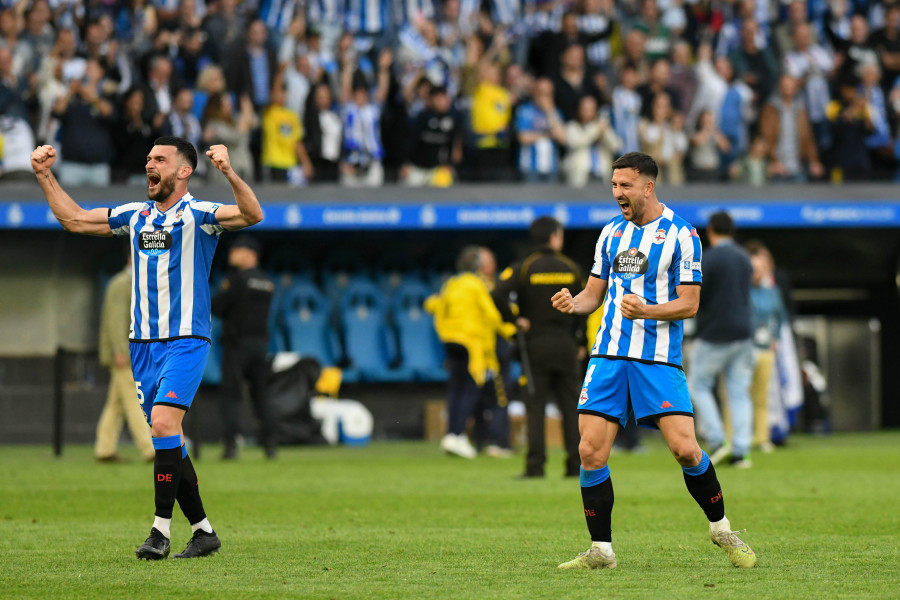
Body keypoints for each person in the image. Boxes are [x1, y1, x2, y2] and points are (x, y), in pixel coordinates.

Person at [32, 135, 263, 560]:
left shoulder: (201, 214)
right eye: (147, 159)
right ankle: (204, 532)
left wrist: (229, 171)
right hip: (142, 345)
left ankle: (159, 532)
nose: (149, 165)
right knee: (168, 438)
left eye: (159, 159)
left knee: (161, 424)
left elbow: (252, 213)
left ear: (184, 170)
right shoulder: (134, 216)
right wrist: (44, 176)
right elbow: (77, 220)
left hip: (186, 339)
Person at [551, 152, 756, 570]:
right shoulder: (609, 234)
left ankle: (721, 528)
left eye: (624, 185)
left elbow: (690, 303)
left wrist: (646, 311)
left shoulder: (683, 235)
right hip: (608, 354)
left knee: (684, 449)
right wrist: (574, 304)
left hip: (657, 358)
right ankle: (601, 550)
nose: (617, 193)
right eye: (613, 185)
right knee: (590, 451)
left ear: (648, 185)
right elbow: (594, 294)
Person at [493, 216, 584, 478]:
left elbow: (497, 294)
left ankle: (535, 466)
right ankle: (575, 466)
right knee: (571, 407)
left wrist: (515, 321)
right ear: (554, 236)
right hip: (566, 344)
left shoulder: (524, 267)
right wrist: (580, 341)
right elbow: (584, 306)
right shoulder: (571, 267)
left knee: (535, 406)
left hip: (535, 345)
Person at [424, 246, 517, 459]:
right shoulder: (476, 285)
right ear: (477, 267)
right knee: (471, 389)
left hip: (450, 341)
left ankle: (451, 434)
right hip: (471, 344)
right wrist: (510, 330)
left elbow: (438, 305)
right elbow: (491, 315)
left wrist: (431, 309)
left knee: (455, 388)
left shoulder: (452, 284)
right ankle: (458, 436)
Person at [687, 211, 755, 468]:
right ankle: (741, 451)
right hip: (743, 334)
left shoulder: (709, 258)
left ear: (711, 230)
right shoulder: (744, 257)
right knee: (739, 393)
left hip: (714, 333)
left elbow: (696, 296)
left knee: (698, 385)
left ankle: (717, 441)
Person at [211, 235, 277, 460]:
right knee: (261, 395)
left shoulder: (236, 280)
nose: (232, 254)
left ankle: (231, 446)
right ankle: (270, 445)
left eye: (236, 250)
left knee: (231, 395)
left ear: (250, 254)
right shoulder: (267, 282)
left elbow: (217, 307)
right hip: (260, 346)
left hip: (237, 345)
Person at [95, 253, 155, 463]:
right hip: (126, 354)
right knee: (135, 400)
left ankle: (104, 449)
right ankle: (150, 449)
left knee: (116, 404)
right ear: (131, 258)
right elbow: (115, 319)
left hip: (130, 352)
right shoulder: (122, 283)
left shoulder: (133, 282)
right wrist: (120, 351)